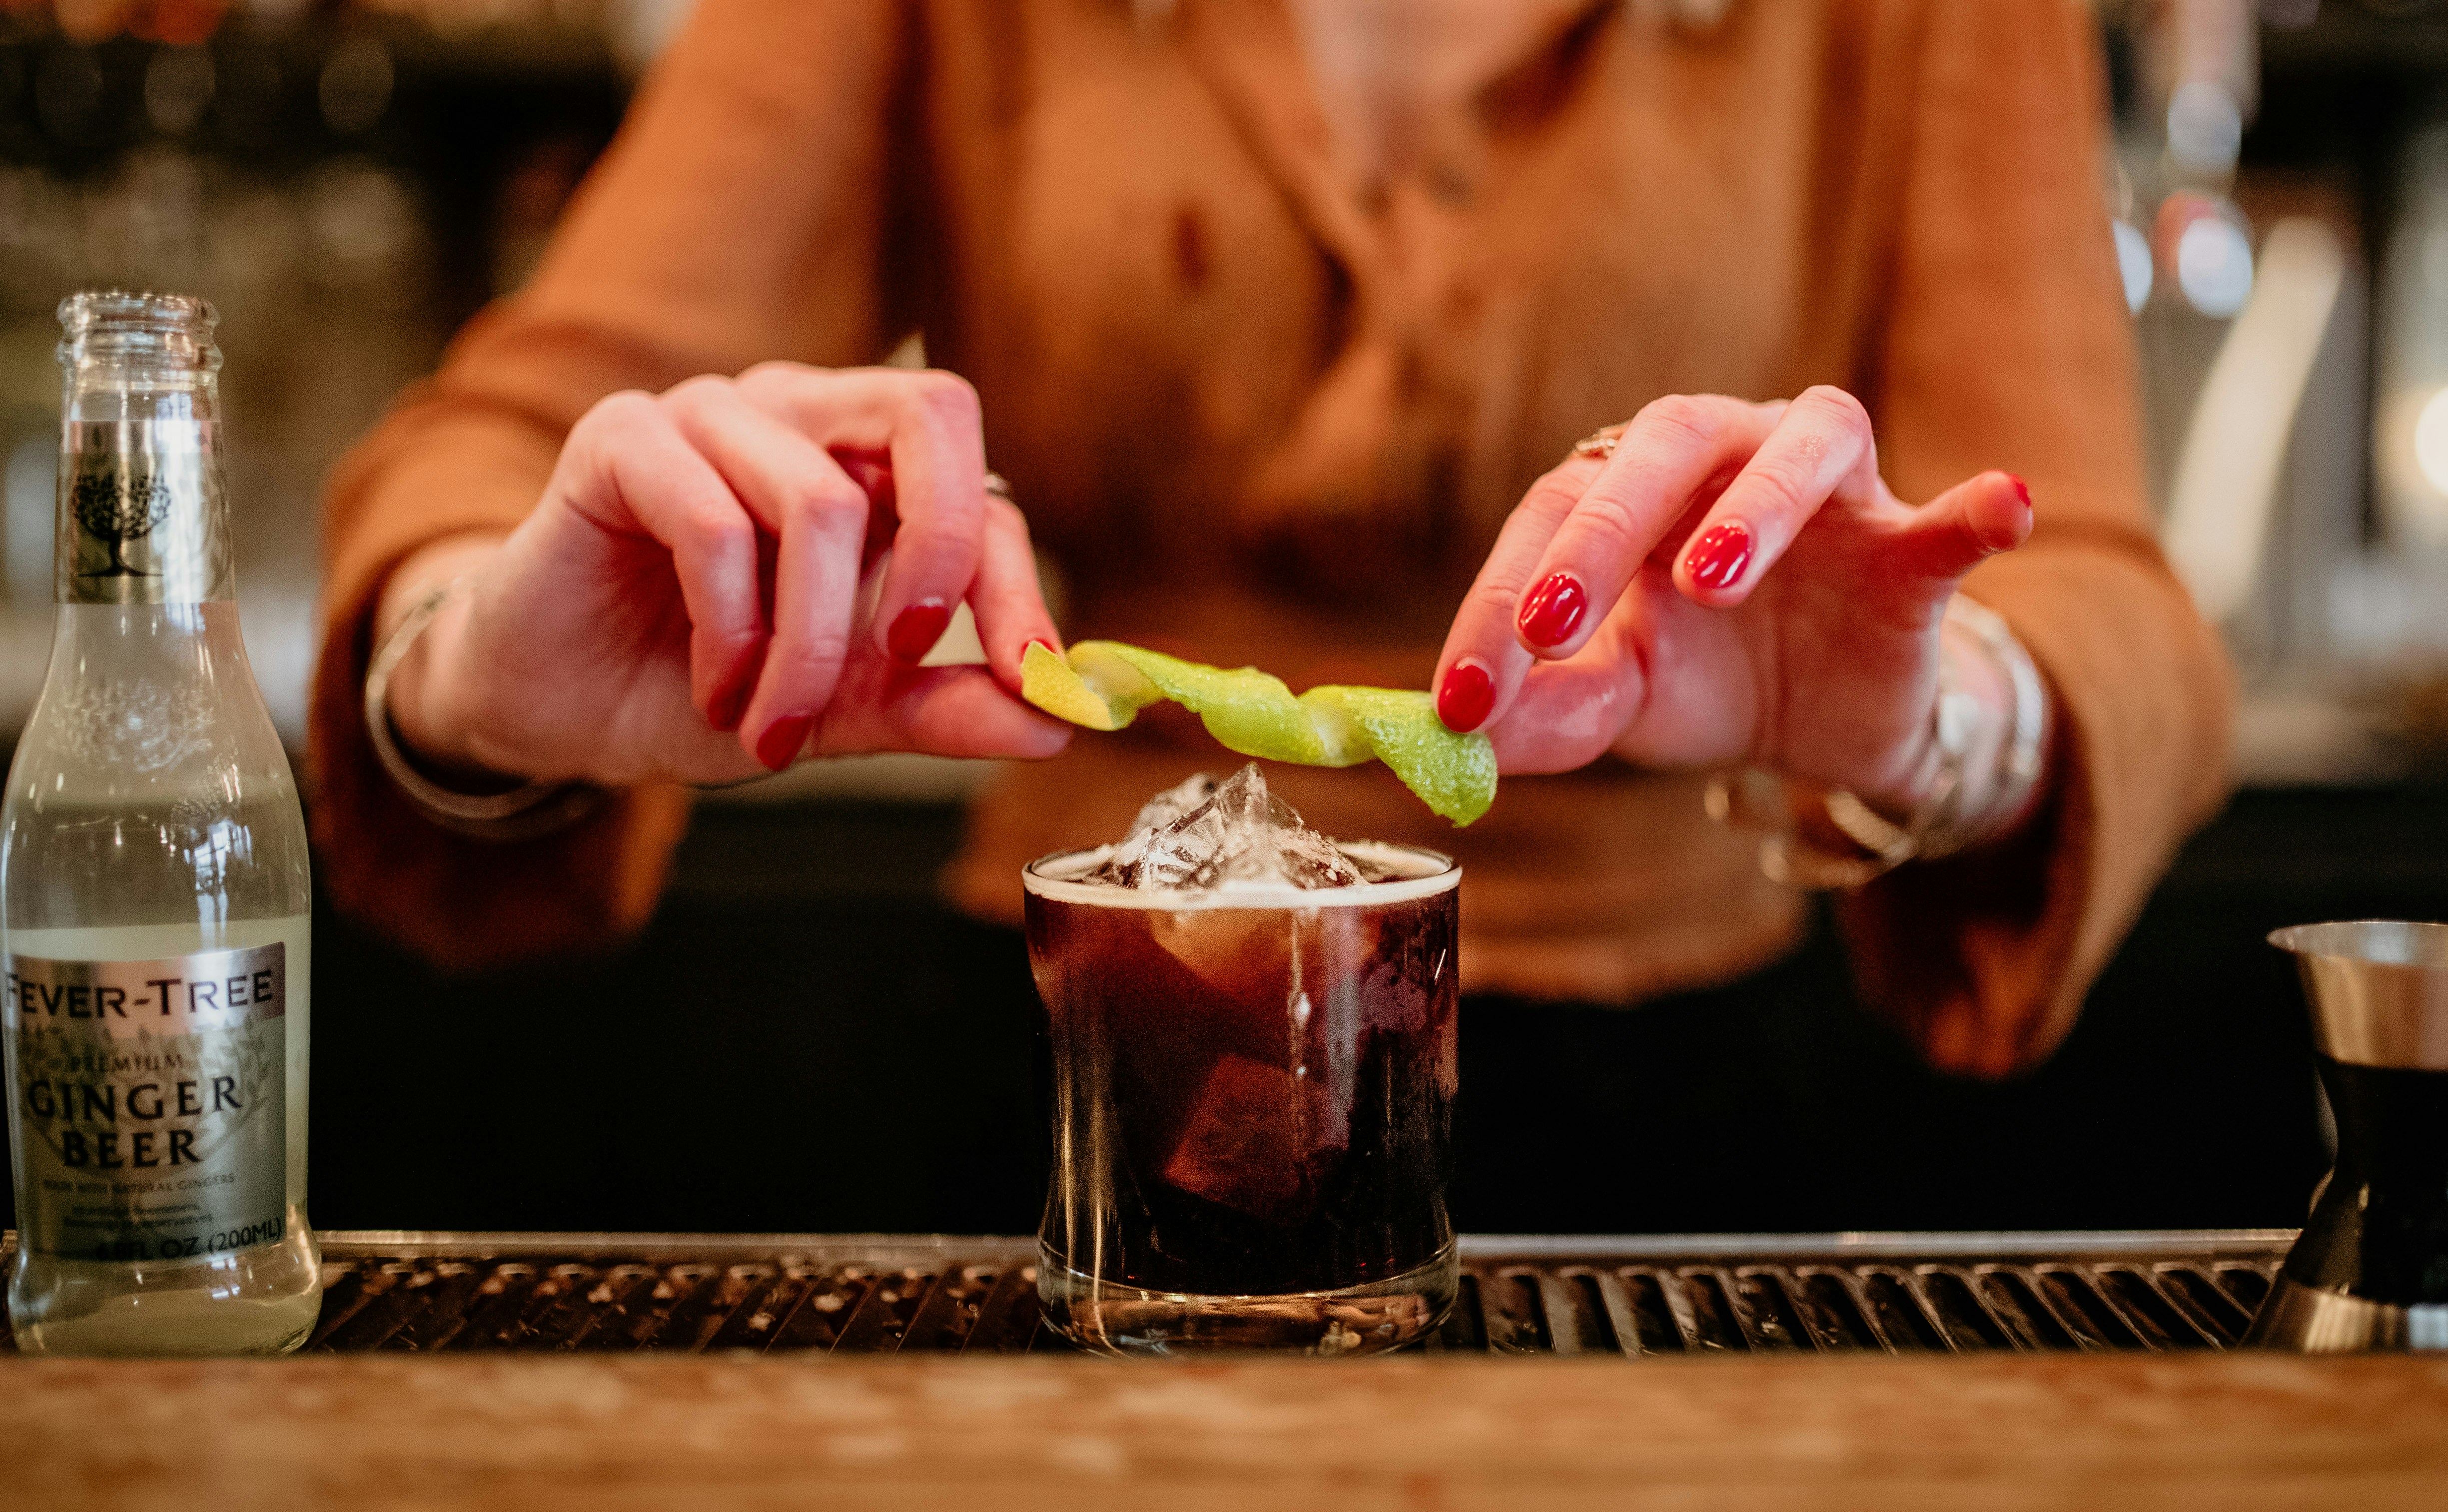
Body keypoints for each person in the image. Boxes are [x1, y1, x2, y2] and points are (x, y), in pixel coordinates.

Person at [312, 0, 2232, 1221]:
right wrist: (463, 662)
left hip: (1705, 1109)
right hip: (1081, 1077)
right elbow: (504, 442)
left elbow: (2106, 603)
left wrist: (1931, 709)